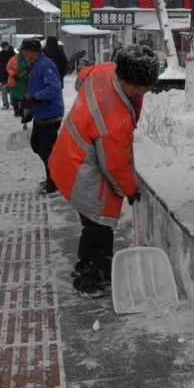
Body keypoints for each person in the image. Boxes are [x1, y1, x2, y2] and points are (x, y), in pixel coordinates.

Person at [48, 45, 159, 297]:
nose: (144, 92)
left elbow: (83, 76)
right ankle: (89, 274)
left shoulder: (105, 71)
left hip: (70, 152)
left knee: (94, 223)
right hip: (83, 170)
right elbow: (114, 165)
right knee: (98, 224)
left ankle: (98, 267)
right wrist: (130, 189)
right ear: (125, 80)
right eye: (141, 88)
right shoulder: (114, 117)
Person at [19, 39, 64, 193]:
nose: (24, 54)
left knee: (47, 150)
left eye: (25, 51)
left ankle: (55, 181)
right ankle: (53, 176)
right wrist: (29, 111)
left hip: (51, 113)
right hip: (41, 113)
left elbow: (53, 89)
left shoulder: (46, 65)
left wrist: (35, 98)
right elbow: (36, 88)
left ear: (33, 51)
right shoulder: (35, 66)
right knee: (37, 145)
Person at [8, 50, 30, 126]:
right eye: (20, 51)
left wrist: (29, 69)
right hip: (15, 81)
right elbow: (8, 67)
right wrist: (13, 74)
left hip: (25, 82)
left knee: (24, 97)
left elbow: (33, 67)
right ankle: (16, 111)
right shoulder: (13, 59)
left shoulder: (28, 59)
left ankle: (22, 111)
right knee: (15, 97)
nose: (21, 53)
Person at [0, 41, 16, 109]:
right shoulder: (2, 53)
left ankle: (13, 103)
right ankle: (6, 104)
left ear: (8, 46)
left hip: (11, 75)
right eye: (2, 47)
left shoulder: (12, 53)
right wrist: (2, 52)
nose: (4, 48)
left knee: (12, 91)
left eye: (4, 47)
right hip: (4, 75)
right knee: (4, 92)